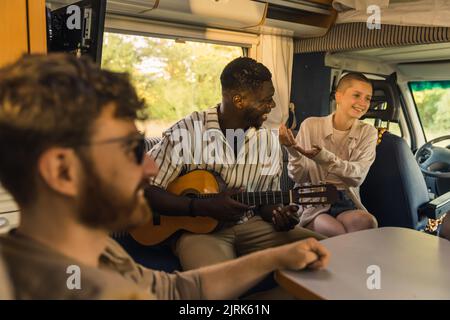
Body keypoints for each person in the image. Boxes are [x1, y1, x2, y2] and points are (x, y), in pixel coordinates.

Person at [0, 53, 329, 299]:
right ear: (62, 170)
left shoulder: (107, 255)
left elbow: (182, 290)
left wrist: (278, 254)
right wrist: (198, 208)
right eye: (131, 150)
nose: (152, 168)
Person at [146, 57, 324, 271]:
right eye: (266, 99)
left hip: (252, 226)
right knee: (215, 289)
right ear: (239, 101)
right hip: (199, 233)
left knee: (323, 253)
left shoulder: (267, 140)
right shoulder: (187, 131)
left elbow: (267, 201)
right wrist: (201, 206)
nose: (273, 105)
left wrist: (279, 214)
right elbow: (146, 189)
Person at [279, 72, 378, 237]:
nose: (363, 103)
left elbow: (357, 177)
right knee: (336, 232)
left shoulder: (368, 132)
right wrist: (292, 150)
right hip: (313, 199)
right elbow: (299, 177)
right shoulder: (311, 125)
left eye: (367, 98)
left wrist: (323, 157)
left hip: (346, 199)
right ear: (338, 97)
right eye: (357, 95)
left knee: (368, 222)